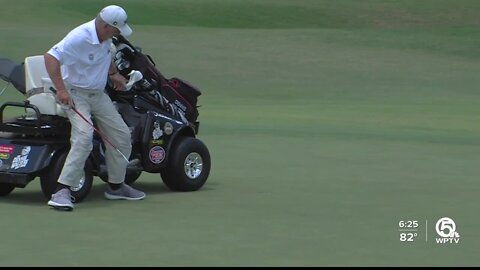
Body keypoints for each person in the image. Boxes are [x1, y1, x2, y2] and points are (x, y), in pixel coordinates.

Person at [44, 5, 146, 211]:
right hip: (74, 94)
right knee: (84, 136)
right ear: (106, 26)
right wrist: (62, 90)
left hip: (98, 96)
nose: (119, 33)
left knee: (122, 135)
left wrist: (114, 75)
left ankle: (116, 187)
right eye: (117, 29)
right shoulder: (79, 37)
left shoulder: (106, 39)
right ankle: (61, 191)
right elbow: (50, 57)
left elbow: (106, 54)